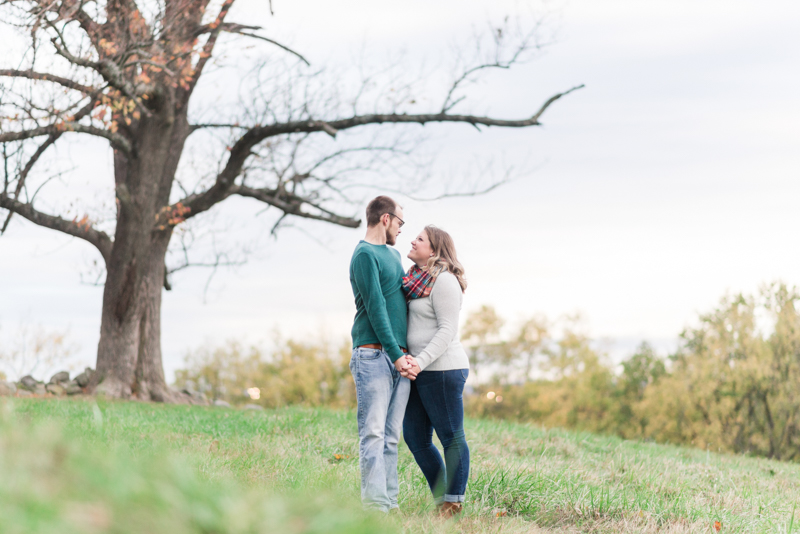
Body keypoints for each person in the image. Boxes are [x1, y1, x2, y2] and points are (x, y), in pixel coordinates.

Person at [348, 195, 413, 513]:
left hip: (399, 357)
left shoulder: (395, 254)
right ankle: (375, 508)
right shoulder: (364, 254)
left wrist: (407, 354)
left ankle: (390, 502)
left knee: (390, 436)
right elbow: (375, 309)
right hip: (373, 355)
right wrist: (394, 353)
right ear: (385, 219)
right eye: (400, 222)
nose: (401, 230)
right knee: (373, 433)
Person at [401, 225, 470, 517]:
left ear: (434, 250)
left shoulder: (444, 281)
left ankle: (452, 503)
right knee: (415, 438)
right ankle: (442, 498)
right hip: (419, 369)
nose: (413, 241)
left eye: (420, 239)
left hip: (442, 368)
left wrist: (421, 360)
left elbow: (447, 330)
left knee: (451, 437)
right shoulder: (414, 280)